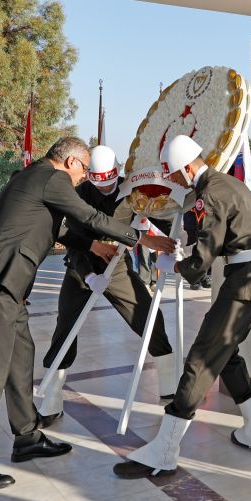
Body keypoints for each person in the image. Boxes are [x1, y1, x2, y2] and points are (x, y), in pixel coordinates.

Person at [0, 137, 176, 491]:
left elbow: (60, 229)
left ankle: (27, 436)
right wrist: (141, 239)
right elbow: (89, 216)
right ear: (70, 161)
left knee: (21, 360)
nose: (84, 177)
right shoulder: (52, 177)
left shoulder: (35, 177)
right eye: (84, 169)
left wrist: (92, 245)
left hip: (8, 287)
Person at [114, 135, 251, 479]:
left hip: (243, 283)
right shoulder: (229, 183)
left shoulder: (209, 194)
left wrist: (176, 265)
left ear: (187, 167)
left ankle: (165, 450)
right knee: (225, 353)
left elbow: (203, 259)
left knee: (201, 359)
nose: (174, 180)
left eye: (174, 174)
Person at [37, 146, 178, 427]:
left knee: (149, 317)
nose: (106, 189)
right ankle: (51, 400)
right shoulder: (78, 195)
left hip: (117, 266)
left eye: (110, 183)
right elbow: (74, 241)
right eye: (100, 184)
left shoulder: (132, 191)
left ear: (117, 171)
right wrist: (88, 276)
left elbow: (161, 215)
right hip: (81, 267)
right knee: (66, 328)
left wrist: (180, 226)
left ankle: (170, 389)